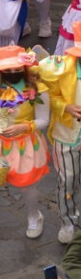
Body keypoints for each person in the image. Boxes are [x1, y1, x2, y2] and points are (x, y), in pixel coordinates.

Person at [0, 45, 50, 245]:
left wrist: (24, 127)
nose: (14, 73)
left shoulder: (37, 88)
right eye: (9, 70)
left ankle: (34, 216)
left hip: (23, 144)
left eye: (17, 69)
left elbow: (44, 119)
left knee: (27, 185)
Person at [41, 22, 81, 244]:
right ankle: (68, 221)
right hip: (67, 134)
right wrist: (65, 107)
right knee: (67, 180)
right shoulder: (61, 68)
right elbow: (50, 96)